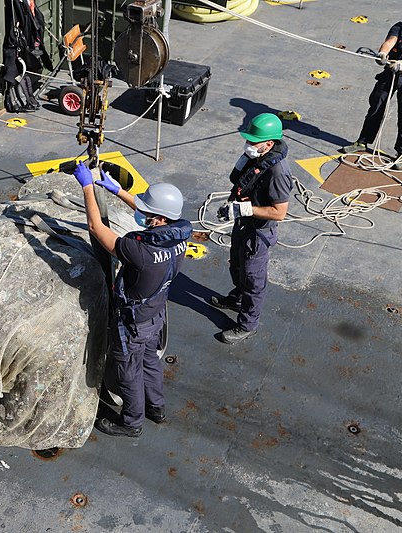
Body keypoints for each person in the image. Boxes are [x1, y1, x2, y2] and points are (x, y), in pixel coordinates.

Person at [73, 162, 192, 438]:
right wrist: (118, 191)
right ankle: (156, 408)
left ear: (159, 218)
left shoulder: (139, 251)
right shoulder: (180, 234)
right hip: (155, 313)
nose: (145, 214)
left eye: (149, 212)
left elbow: (95, 226)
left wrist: (88, 187)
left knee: (128, 371)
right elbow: (152, 213)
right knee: (150, 362)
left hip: (133, 323)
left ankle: (132, 422)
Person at [211, 113, 292, 344]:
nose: (248, 145)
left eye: (253, 141)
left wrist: (244, 210)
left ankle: (248, 324)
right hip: (243, 226)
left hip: (258, 234)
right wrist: (233, 206)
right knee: (236, 266)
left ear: (269, 143)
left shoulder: (278, 172)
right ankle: (238, 298)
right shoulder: (256, 158)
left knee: (253, 278)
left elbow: (279, 212)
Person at [342, 2, 402, 170]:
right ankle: (362, 142)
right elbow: (390, 41)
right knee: (377, 104)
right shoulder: (401, 26)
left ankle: (401, 153)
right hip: (391, 72)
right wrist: (383, 53)